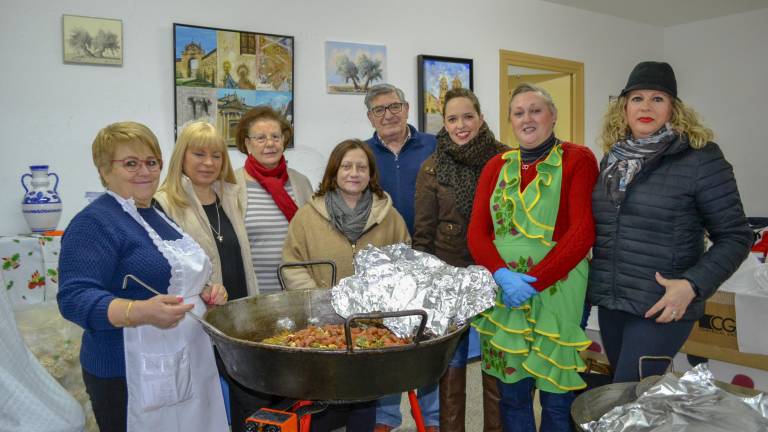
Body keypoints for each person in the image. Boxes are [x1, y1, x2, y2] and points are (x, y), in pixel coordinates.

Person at [57, 121, 228, 432]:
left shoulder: (155, 214)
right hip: (125, 369)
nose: (145, 172)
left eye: (151, 162)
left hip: (186, 357)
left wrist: (207, 291)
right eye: (131, 164)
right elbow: (73, 298)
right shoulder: (94, 223)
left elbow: (174, 278)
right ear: (104, 169)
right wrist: (138, 312)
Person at [588, 61, 753, 383]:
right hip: (614, 300)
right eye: (637, 98)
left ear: (673, 108)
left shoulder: (701, 158)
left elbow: (736, 236)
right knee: (626, 399)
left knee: (627, 393)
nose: (646, 106)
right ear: (624, 107)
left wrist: (692, 285)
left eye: (657, 98)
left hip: (663, 304)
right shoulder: (614, 158)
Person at [468, 84, 599, 432]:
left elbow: (582, 231)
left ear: (553, 116)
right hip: (504, 293)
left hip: (559, 290)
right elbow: (477, 234)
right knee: (512, 395)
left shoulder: (577, 158)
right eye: (519, 112)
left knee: (556, 399)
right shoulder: (496, 165)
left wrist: (535, 282)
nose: (527, 118)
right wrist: (501, 275)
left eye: (536, 110)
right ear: (510, 121)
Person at [281, 139, 409, 431]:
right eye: (346, 166)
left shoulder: (390, 217)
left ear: (370, 174)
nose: (354, 173)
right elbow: (293, 263)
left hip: (371, 327)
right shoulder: (307, 217)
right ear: (334, 172)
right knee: (324, 399)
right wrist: (323, 302)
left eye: (361, 167)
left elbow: (404, 265)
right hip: (323, 326)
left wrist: (379, 301)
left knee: (363, 397)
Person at [154, 120, 271, 432]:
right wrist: (204, 287)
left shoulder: (231, 196)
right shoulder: (164, 203)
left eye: (217, 156)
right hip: (201, 319)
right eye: (199, 154)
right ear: (182, 157)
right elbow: (165, 266)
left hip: (242, 315)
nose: (209, 163)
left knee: (251, 396)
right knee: (213, 400)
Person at [413, 88, 506, 432]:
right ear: (445, 124)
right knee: (451, 363)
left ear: (481, 118)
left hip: (495, 274)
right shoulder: (433, 166)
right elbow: (423, 231)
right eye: (452, 119)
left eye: (468, 116)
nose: (461, 125)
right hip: (448, 278)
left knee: (495, 364)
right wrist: (425, 283)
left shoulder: (505, 159)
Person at [363, 83, 442, 432]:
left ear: (407, 108)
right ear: (370, 117)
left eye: (394, 106)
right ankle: (386, 417)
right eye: (379, 110)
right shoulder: (362, 153)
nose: (388, 114)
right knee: (385, 340)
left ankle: (433, 418)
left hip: (430, 258)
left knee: (426, 341)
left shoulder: (434, 145)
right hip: (383, 263)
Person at [234, 106, 313, 292]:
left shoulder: (301, 183)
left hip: (297, 293)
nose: (270, 143)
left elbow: (312, 235)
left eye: (275, 137)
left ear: (283, 140)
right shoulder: (231, 186)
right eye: (260, 138)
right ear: (247, 144)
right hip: (251, 294)